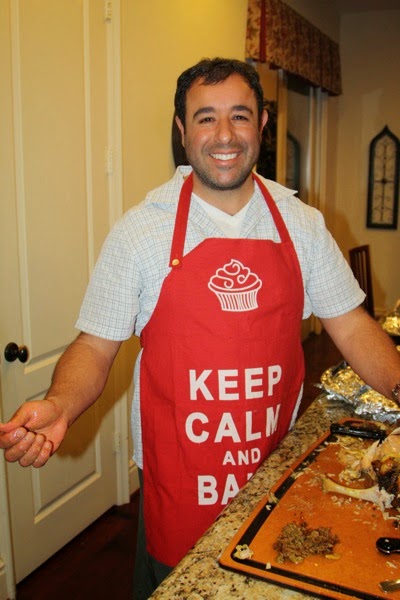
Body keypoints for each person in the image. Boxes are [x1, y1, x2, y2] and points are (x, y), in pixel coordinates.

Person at [1, 58, 400, 599]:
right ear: (182, 129)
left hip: (272, 463)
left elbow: (351, 326)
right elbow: (95, 346)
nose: (224, 134)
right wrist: (60, 404)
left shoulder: (300, 224)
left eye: (240, 115)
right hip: (181, 475)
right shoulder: (142, 231)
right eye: (206, 117)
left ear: (261, 123)